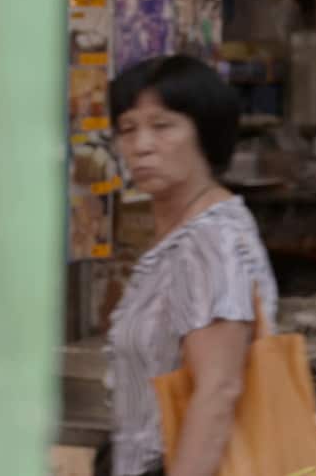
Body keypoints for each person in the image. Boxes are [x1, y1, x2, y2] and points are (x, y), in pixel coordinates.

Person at [104, 55, 279, 476]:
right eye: (128, 129)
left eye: (162, 126)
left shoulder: (211, 240)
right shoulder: (181, 234)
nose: (141, 145)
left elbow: (218, 390)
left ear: (205, 134)